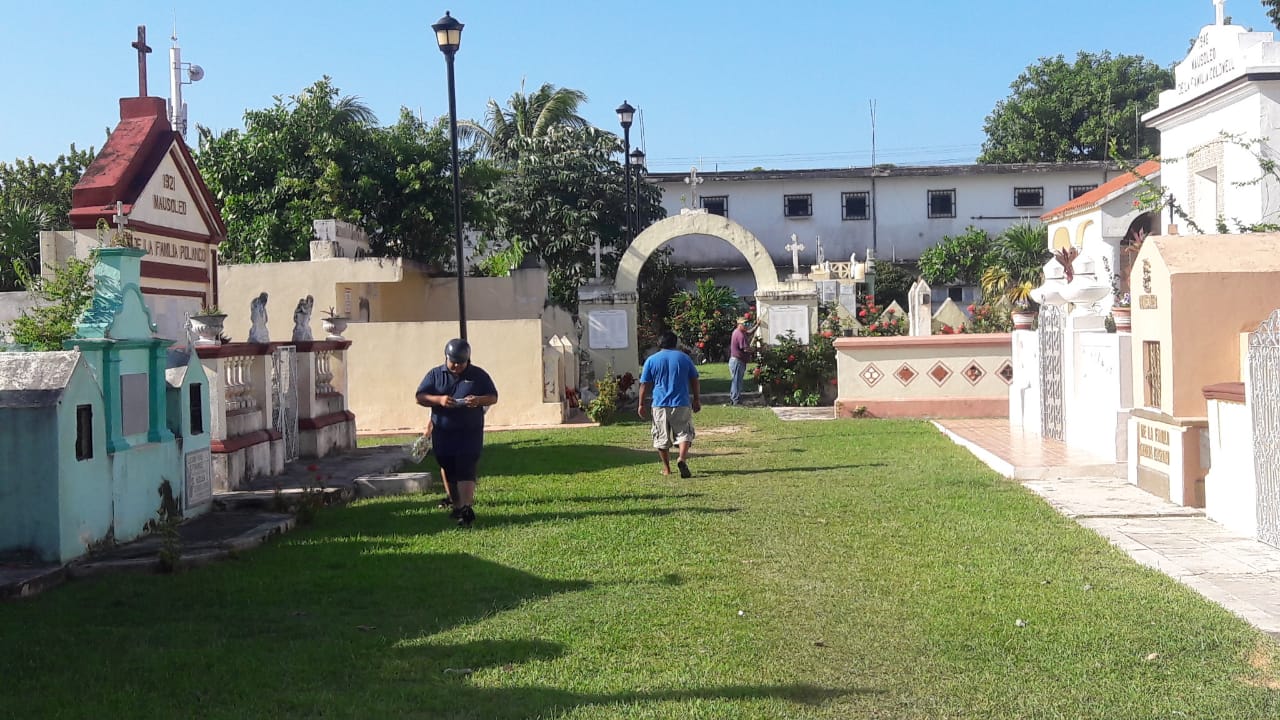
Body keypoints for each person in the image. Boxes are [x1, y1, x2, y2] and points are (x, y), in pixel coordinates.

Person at [414, 338, 498, 527]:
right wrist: (439, 400)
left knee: (466, 465)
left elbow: (493, 397)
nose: (458, 366)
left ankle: (467, 507)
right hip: (443, 431)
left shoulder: (478, 375)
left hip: (470, 431)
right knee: (447, 465)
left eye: (462, 362)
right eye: (454, 362)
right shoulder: (435, 375)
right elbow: (420, 397)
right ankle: (457, 505)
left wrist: (478, 400)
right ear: (446, 358)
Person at [637, 331, 701, 478]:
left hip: (659, 404)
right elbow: (694, 379)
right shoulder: (684, 358)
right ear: (675, 343)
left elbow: (644, 384)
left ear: (659, 344)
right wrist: (696, 399)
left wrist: (641, 404)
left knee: (661, 437)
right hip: (681, 402)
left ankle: (667, 468)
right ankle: (682, 458)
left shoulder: (651, 360)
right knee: (685, 433)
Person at [728, 316, 758, 406]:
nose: (746, 325)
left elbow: (749, 333)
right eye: (744, 324)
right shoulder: (739, 334)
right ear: (739, 325)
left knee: (737, 381)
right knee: (737, 381)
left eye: (747, 323)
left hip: (738, 361)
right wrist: (756, 350)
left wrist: (757, 325)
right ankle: (735, 400)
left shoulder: (741, 332)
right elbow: (745, 349)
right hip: (737, 361)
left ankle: (735, 399)